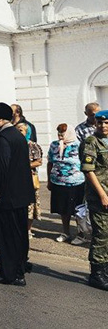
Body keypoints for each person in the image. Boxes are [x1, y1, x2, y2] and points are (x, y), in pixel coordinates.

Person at [0, 102, 35, 286]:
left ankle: (10, 274)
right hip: (20, 196)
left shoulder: (3, 138)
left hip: (6, 198)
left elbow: (1, 168)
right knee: (20, 236)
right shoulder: (17, 136)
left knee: (6, 238)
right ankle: (19, 271)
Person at [46, 123, 87, 244]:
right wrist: (49, 180)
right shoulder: (54, 145)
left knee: (78, 210)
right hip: (58, 182)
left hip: (76, 182)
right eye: (58, 133)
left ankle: (81, 234)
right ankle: (66, 232)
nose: (60, 136)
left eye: (62, 133)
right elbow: (50, 163)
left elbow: (86, 164)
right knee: (63, 209)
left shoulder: (79, 145)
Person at [82, 110, 108, 290]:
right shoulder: (91, 142)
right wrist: (102, 195)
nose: (103, 126)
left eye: (106, 123)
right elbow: (88, 170)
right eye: (100, 122)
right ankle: (96, 274)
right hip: (99, 196)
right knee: (101, 234)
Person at [19, 122, 43, 238]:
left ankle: (28, 229)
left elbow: (38, 161)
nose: (19, 133)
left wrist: (23, 166)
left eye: (21, 130)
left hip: (29, 178)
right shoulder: (14, 144)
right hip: (16, 180)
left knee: (30, 205)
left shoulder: (32, 145)